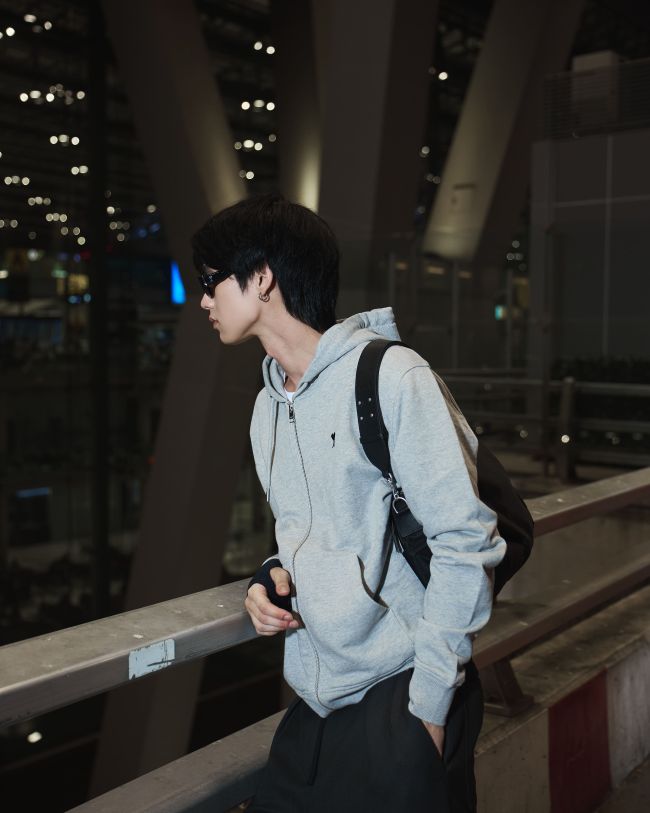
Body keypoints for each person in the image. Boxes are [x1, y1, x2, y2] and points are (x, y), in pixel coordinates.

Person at [193, 194, 506, 812]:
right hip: (317, 697)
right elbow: (308, 529)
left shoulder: (390, 378)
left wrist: (428, 711)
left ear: (262, 279)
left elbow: (466, 542)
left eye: (211, 281)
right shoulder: (266, 408)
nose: (203, 300)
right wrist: (271, 575)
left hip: (401, 692)